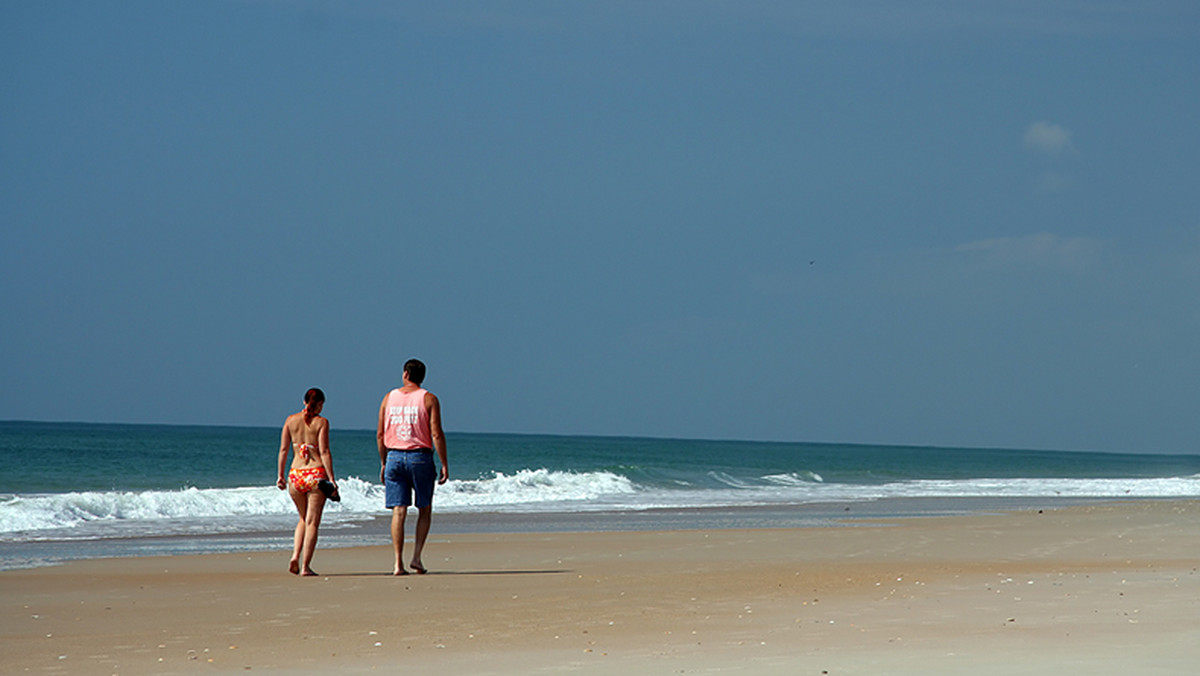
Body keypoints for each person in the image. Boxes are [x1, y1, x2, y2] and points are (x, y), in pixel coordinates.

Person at [377, 359, 448, 575]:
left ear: (405, 374)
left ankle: (398, 563)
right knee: (424, 508)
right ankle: (416, 556)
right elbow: (436, 433)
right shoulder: (429, 398)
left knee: (399, 511)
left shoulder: (389, 398)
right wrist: (444, 463)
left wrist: (383, 461)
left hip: (394, 456)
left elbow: (380, 434)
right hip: (420, 456)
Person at [277, 387, 338, 576]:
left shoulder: (290, 420)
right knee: (312, 523)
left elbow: (284, 450)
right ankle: (305, 566)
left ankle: (295, 555)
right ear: (319, 404)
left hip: (295, 475)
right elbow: (324, 451)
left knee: (303, 519)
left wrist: (280, 475)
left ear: (304, 401)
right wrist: (332, 479)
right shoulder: (322, 422)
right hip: (315, 475)